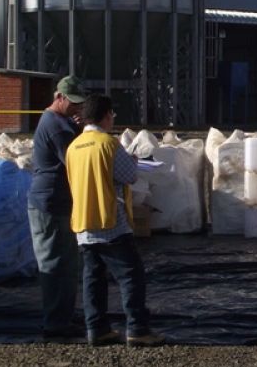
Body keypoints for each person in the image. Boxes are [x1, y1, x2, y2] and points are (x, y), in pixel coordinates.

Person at [66, 93, 163, 347]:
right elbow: (129, 176)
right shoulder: (108, 144)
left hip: (82, 222)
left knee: (93, 278)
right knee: (132, 275)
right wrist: (131, 160)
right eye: (112, 115)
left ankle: (96, 329)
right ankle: (137, 329)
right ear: (107, 115)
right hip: (109, 221)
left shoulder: (74, 146)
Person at [28, 75, 87, 339]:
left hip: (59, 202)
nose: (77, 108)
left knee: (67, 263)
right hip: (50, 203)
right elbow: (75, 159)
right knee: (54, 263)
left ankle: (63, 316)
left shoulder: (59, 122)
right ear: (59, 97)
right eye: (73, 103)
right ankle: (55, 322)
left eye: (80, 104)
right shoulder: (56, 126)